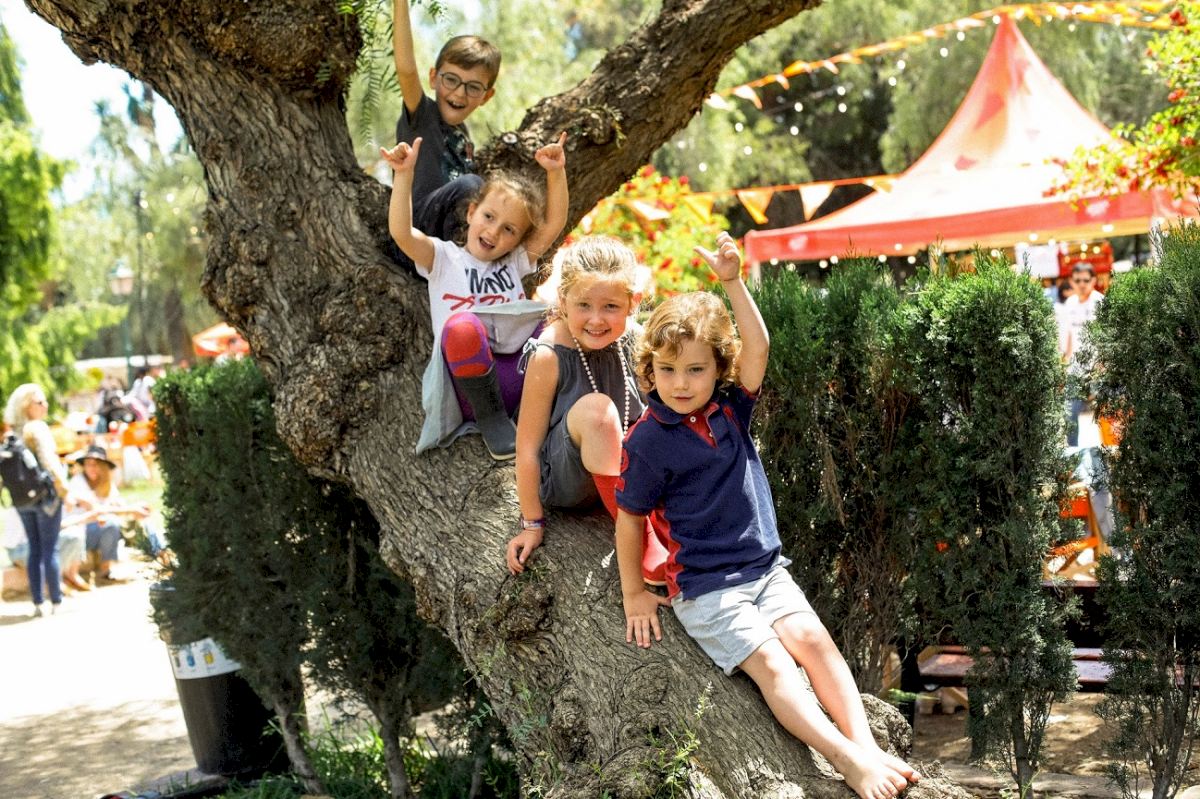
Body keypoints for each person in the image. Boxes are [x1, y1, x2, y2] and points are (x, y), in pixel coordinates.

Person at [612, 233, 920, 799]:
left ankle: (867, 747)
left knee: (816, 643)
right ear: (650, 368)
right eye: (668, 369)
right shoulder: (648, 440)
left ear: (718, 370)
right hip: (707, 588)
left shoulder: (731, 409)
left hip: (765, 570)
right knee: (776, 666)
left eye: (696, 369)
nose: (681, 383)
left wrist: (733, 281)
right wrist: (634, 591)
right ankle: (846, 761)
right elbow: (628, 517)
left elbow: (758, 345)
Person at [381, 131, 568, 459]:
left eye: (509, 229)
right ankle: (495, 422)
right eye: (489, 217)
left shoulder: (514, 262)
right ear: (471, 213)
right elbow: (401, 232)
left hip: (522, 376)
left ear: (518, 240)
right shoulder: (443, 258)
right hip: (476, 390)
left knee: (558, 320)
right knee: (461, 328)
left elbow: (554, 224)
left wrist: (555, 172)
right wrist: (404, 174)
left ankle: (552, 407)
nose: (494, 231)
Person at [505, 236, 668, 584]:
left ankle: (667, 517)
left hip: (628, 471)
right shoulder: (549, 354)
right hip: (571, 477)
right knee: (598, 412)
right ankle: (640, 537)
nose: (596, 319)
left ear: (633, 302)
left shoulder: (637, 341)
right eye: (583, 305)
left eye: (610, 306)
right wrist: (531, 523)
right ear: (563, 301)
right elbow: (527, 448)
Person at [391, 0, 499, 251]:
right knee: (471, 186)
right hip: (412, 232)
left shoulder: (464, 137)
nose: (459, 93)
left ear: (486, 96)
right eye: (451, 80)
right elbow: (406, 70)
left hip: (440, 247)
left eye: (473, 87)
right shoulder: (423, 114)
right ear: (433, 78)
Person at [3, 384, 69, 616]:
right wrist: (64, 490)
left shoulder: (11, 434)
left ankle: (38, 602)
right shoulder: (37, 428)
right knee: (50, 549)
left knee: (35, 549)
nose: (45, 405)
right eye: (39, 402)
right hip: (46, 499)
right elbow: (49, 461)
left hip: (22, 501)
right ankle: (57, 601)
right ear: (26, 406)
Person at [64, 445, 165, 584]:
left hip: (100, 527)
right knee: (112, 524)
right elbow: (98, 510)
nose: (91, 468)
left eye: (95, 464)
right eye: (88, 464)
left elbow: (118, 504)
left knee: (141, 519)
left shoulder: (106, 483)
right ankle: (105, 570)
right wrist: (130, 509)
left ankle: (163, 554)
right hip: (80, 530)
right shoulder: (78, 482)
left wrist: (135, 508)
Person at [1061, 263, 1105, 447]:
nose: (1081, 284)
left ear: (1093, 280)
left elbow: (1106, 336)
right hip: (1075, 368)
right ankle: (1073, 454)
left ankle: (1109, 453)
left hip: (1098, 368)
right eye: (1077, 280)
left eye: (1086, 280)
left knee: (1104, 415)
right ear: (1071, 281)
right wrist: (1064, 363)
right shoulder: (1070, 303)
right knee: (1070, 414)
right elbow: (1068, 335)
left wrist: (1103, 365)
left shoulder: (1100, 301)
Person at [3, 506, 88, 593]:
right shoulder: (35, 504)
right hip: (22, 550)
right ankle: (55, 580)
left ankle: (64, 577)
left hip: (17, 550)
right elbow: (52, 528)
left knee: (74, 534)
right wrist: (85, 517)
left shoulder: (22, 504)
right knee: (74, 536)